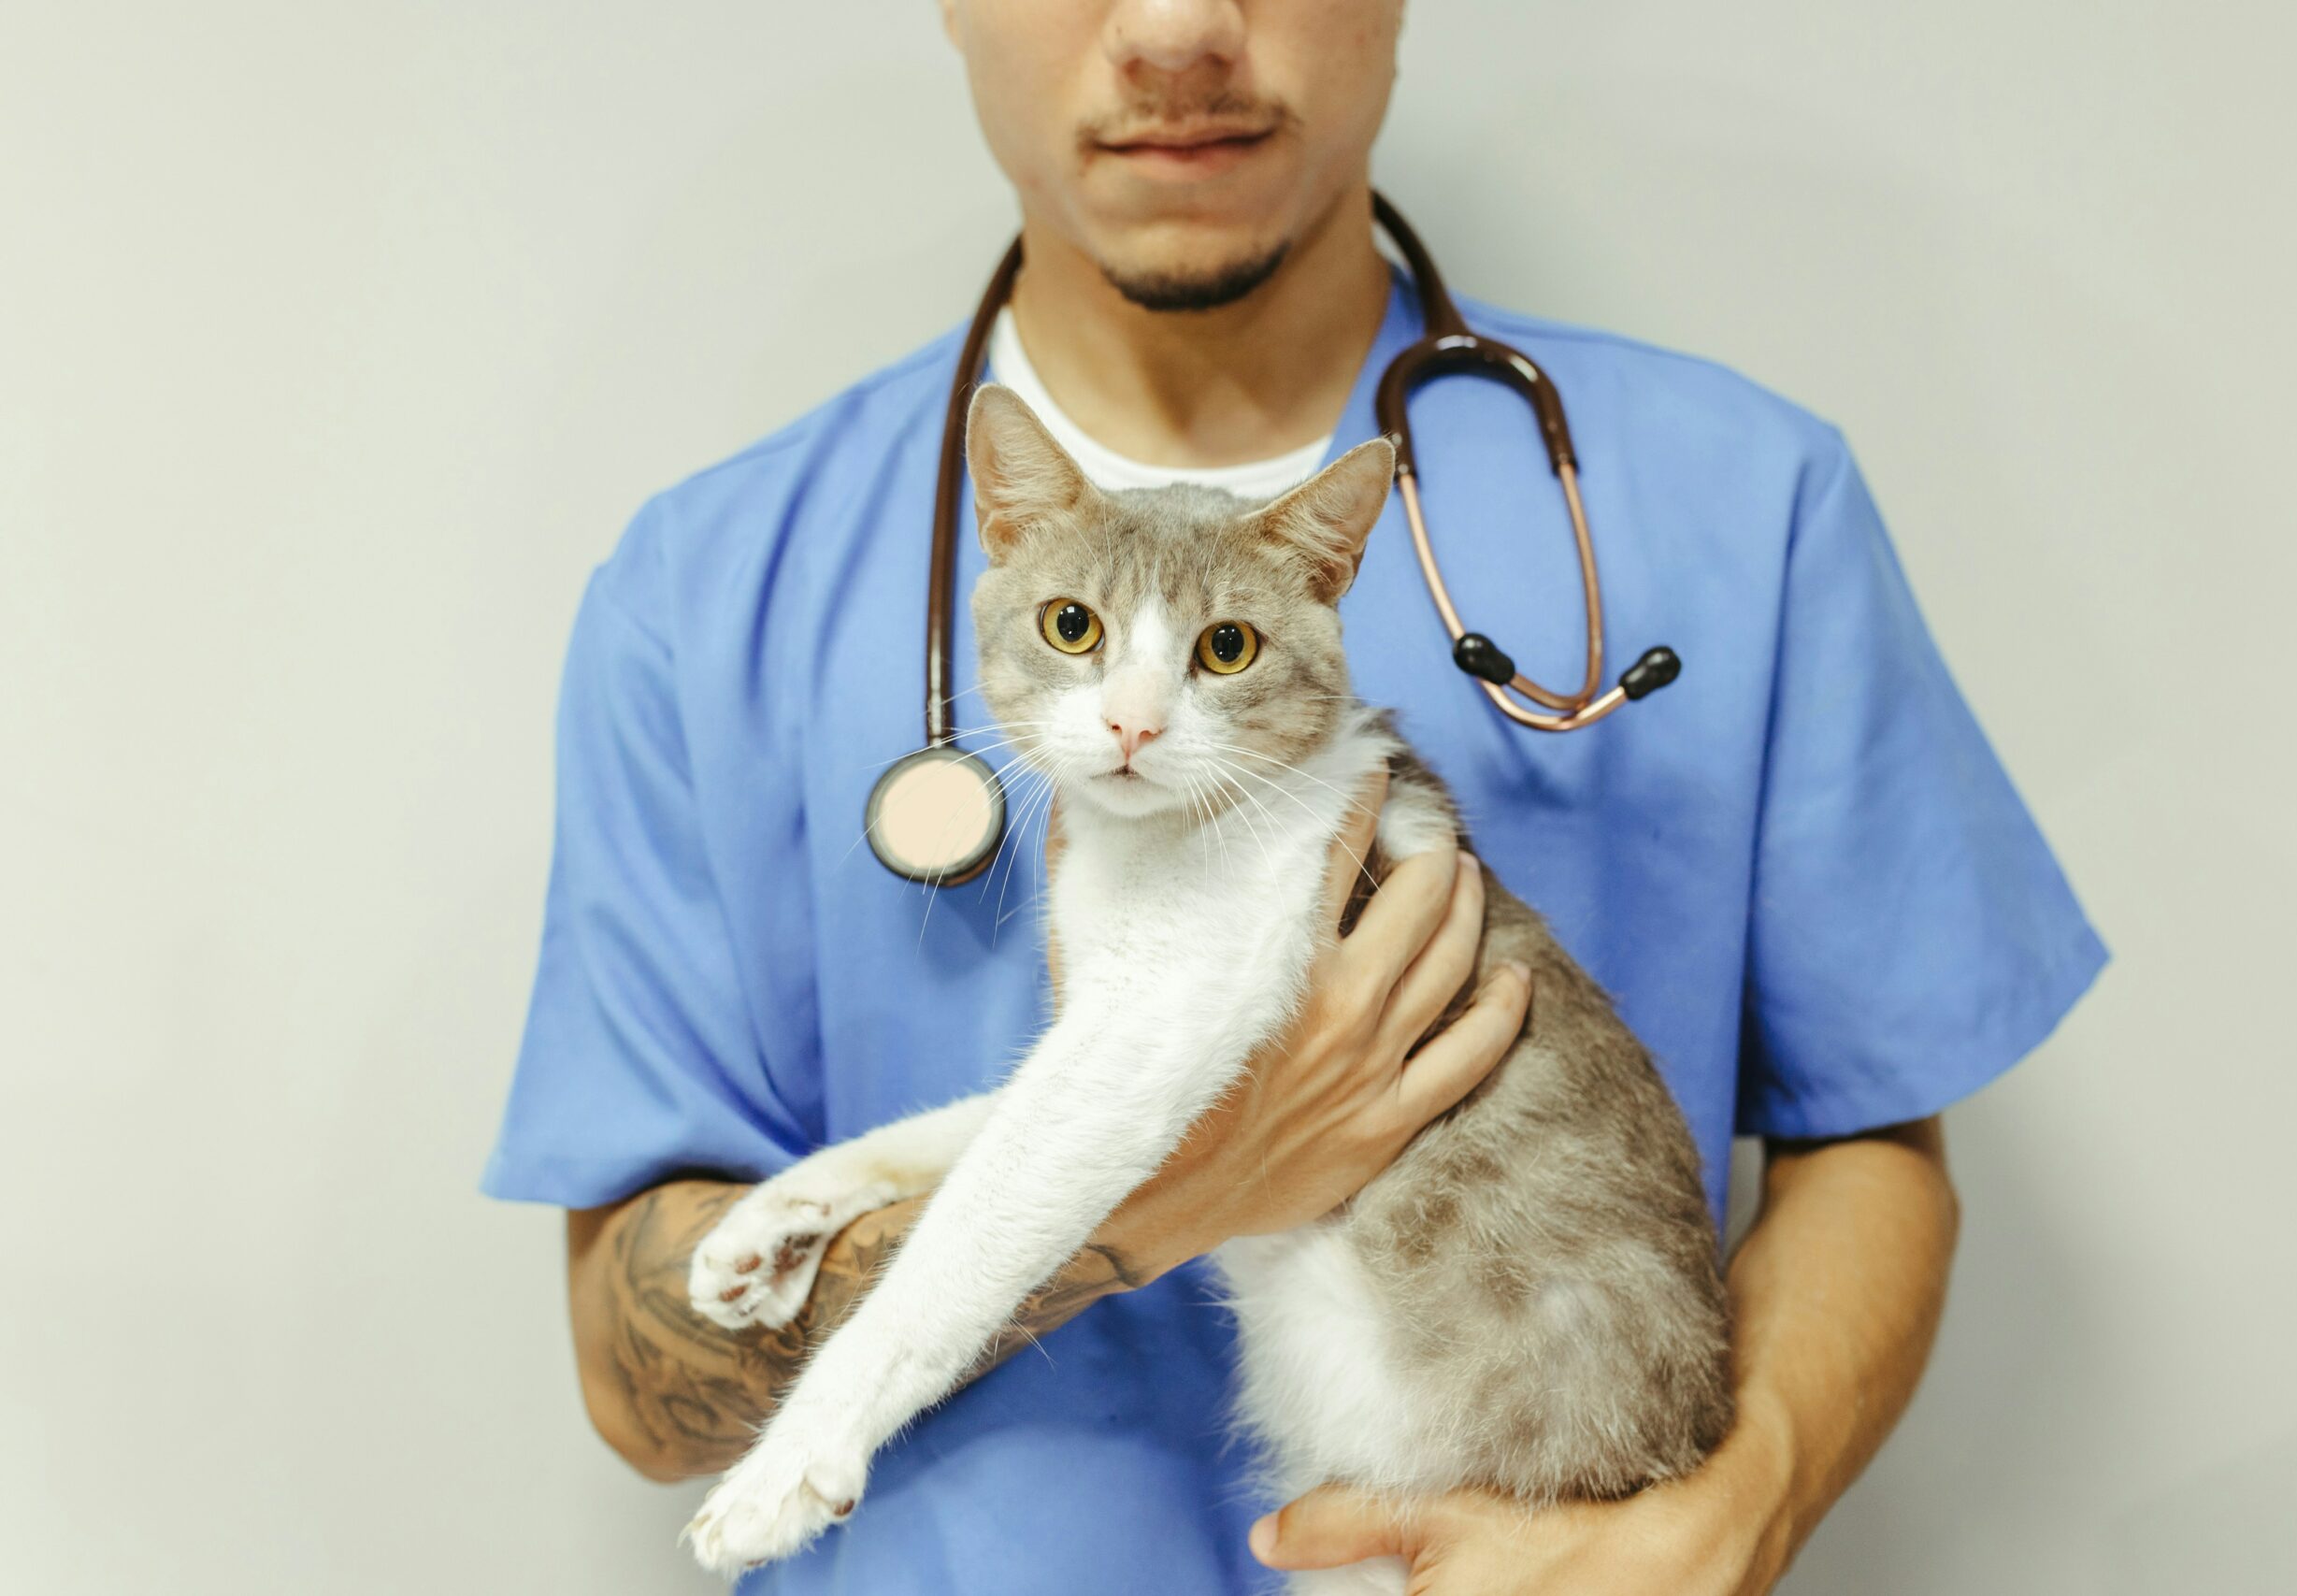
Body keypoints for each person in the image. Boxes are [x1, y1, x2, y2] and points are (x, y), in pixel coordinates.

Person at [482, 3, 2106, 1590]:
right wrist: (1184, 1181)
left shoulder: (1744, 500)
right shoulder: (704, 593)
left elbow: (1869, 1140)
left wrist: (1739, 1501)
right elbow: (638, 1377)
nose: (1180, 28)